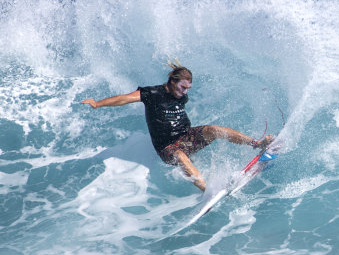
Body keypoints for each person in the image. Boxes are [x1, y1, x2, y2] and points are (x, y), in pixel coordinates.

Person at [81, 63, 273, 191]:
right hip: (167, 147)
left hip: (186, 137)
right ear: (172, 82)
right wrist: (98, 103)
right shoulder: (152, 93)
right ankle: (207, 190)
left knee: (213, 129)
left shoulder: (181, 95)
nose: (185, 92)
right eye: (182, 87)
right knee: (180, 155)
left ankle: (257, 143)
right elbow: (124, 99)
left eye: (188, 88)